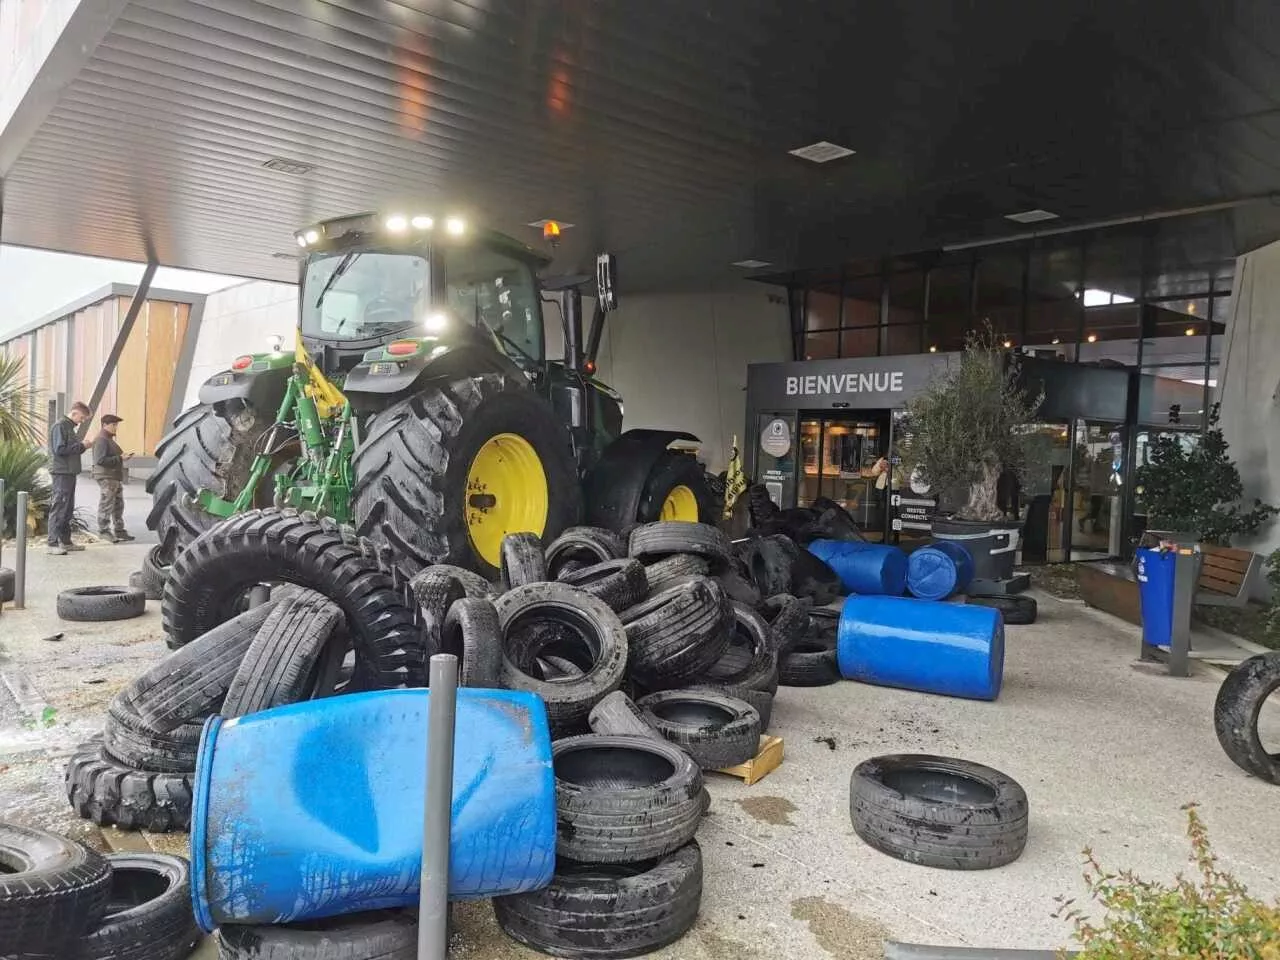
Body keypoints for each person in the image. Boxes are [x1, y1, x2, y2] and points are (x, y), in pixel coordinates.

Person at [48, 401, 91, 555]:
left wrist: (81, 446)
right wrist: (82, 446)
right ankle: (52, 543)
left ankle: (65, 541)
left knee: (67, 508)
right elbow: (59, 449)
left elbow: (68, 449)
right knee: (59, 506)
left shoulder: (68, 428)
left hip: (69, 472)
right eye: (82, 417)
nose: (82, 420)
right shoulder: (60, 426)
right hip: (61, 472)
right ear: (74, 413)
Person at [92, 414, 134, 543]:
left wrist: (121, 457)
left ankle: (119, 530)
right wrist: (120, 458)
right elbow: (100, 460)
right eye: (113, 425)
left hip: (113, 477)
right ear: (105, 425)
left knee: (118, 505)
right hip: (107, 477)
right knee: (107, 504)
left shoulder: (108, 439)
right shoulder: (101, 439)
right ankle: (104, 531)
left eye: (116, 425)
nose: (116, 428)